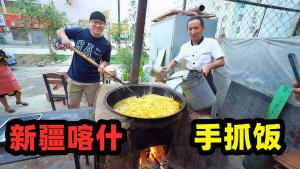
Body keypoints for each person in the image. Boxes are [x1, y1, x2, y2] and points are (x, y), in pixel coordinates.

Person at [56, 11, 111, 108]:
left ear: (104, 25)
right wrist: (64, 37)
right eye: (95, 22)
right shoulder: (79, 32)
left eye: (101, 23)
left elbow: (106, 60)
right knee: (73, 105)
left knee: (93, 106)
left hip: (92, 81)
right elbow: (60, 31)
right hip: (74, 79)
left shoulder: (106, 44)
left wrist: (102, 65)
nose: (98, 25)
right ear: (90, 22)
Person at [163, 16, 225, 94]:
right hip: (190, 77)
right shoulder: (185, 46)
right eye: (190, 29)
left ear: (203, 28)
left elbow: (221, 61)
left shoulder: (211, 43)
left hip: (205, 76)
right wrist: (168, 68)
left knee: (207, 100)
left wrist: (208, 66)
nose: (193, 32)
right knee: (188, 100)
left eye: (196, 28)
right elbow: (176, 60)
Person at [0, 49, 28, 113]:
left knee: (17, 89)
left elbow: (9, 59)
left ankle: (19, 101)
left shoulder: (2, 51)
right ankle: (7, 107)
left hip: (7, 74)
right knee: (1, 93)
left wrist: (5, 59)